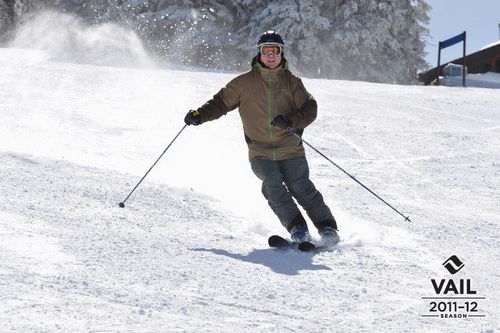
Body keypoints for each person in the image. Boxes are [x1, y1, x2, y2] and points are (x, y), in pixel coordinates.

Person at [184, 30, 339, 243]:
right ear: (259, 53)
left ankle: (327, 228)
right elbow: (220, 103)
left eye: (276, 50)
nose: (271, 55)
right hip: (260, 150)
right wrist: (200, 115)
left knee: (299, 185)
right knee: (272, 184)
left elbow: (310, 108)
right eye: (267, 50)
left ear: (282, 54)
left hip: (290, 146)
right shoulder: (244, 83)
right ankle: (298, 229)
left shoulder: (292, 82)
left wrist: (291, 121)